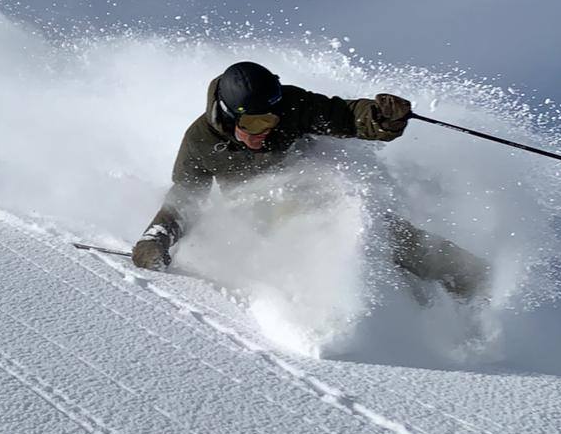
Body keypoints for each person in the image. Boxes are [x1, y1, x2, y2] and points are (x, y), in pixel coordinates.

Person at [132, 61, 490, 300]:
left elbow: (346, 116)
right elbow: (186, 199)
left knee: (370, 224)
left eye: (271, 120)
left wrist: (381, 118)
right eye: (254, 125)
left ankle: (468, 275)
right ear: (226, 117)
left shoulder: (293, 105)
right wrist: (156, 237)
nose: (265, 132)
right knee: (324, 228)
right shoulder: (200, 143)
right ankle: (373, 303)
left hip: (313, 188)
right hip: (261, 215)